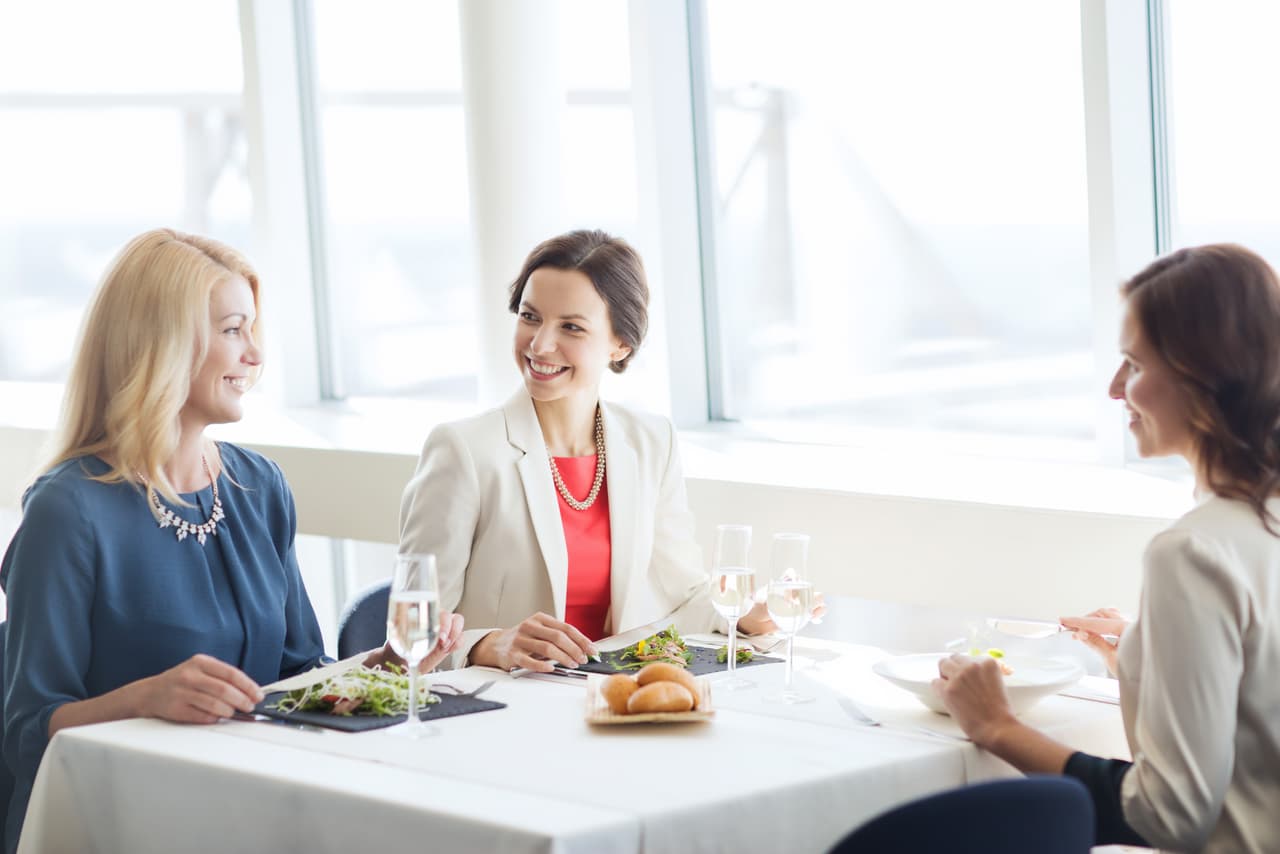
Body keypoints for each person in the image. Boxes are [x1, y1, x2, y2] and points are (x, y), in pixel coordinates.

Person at [0, 229, 463, 853]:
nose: (254, 355)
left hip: (256, 806)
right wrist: (145, 698)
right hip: (124, 821)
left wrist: (386, 668)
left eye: (251, 330)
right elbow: (30, 728)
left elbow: (299, 675)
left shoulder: (259, 486)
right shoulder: (69, 510)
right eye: (232, 330)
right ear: (161, 343)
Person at [933, 244, 1280, 853]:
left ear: (1206, 378)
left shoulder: (1192, 552)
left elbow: (1168, 815)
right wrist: (1145, 655)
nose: (1116, 389)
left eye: (1133, 365)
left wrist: (995, 725)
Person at [400, 229, 817, 673]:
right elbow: (409, 635)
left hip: (613, 702)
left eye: (571, 327)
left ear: (621, 343)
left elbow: (682, 596)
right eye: (529, 317)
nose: (540, 344)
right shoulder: (463, 450)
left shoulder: (651, 441)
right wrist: (488, 645)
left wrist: (748, 615)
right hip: (503, 711)